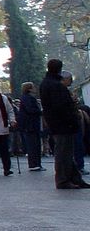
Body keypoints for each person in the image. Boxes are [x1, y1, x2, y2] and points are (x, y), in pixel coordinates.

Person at [39, 59, 87, 191]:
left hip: (56, 123)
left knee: (65, 152)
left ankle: (74, 178)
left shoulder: (46, 83)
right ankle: (63, 180)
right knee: (63, 153)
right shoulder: (56, 85)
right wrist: (73, 120)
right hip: (63, 124)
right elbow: (62, 107)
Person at [16, 82, 45, 172]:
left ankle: (35, 163)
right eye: (33, 87)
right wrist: (40, 111)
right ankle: (34, 164)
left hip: (29, 124)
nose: (35, 88)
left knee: (34, 144)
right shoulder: (29, 98)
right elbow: (30, 110)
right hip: (31, 125)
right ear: (29, 89)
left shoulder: (25, 98)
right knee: (33, 145)